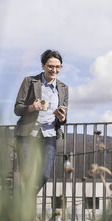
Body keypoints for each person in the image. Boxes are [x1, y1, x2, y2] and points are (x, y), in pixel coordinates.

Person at [14, 49, 68, 193]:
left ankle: (25, 200)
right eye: (50, 66)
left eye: (58, 67)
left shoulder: (63, 88)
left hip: (49, 134)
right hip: (27, 133)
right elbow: (17, 109)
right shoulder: (29, 81)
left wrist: (62, 118)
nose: (54, 70)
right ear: (43, 65)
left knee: (44, 174)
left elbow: (63, 116)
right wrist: (31, 107)